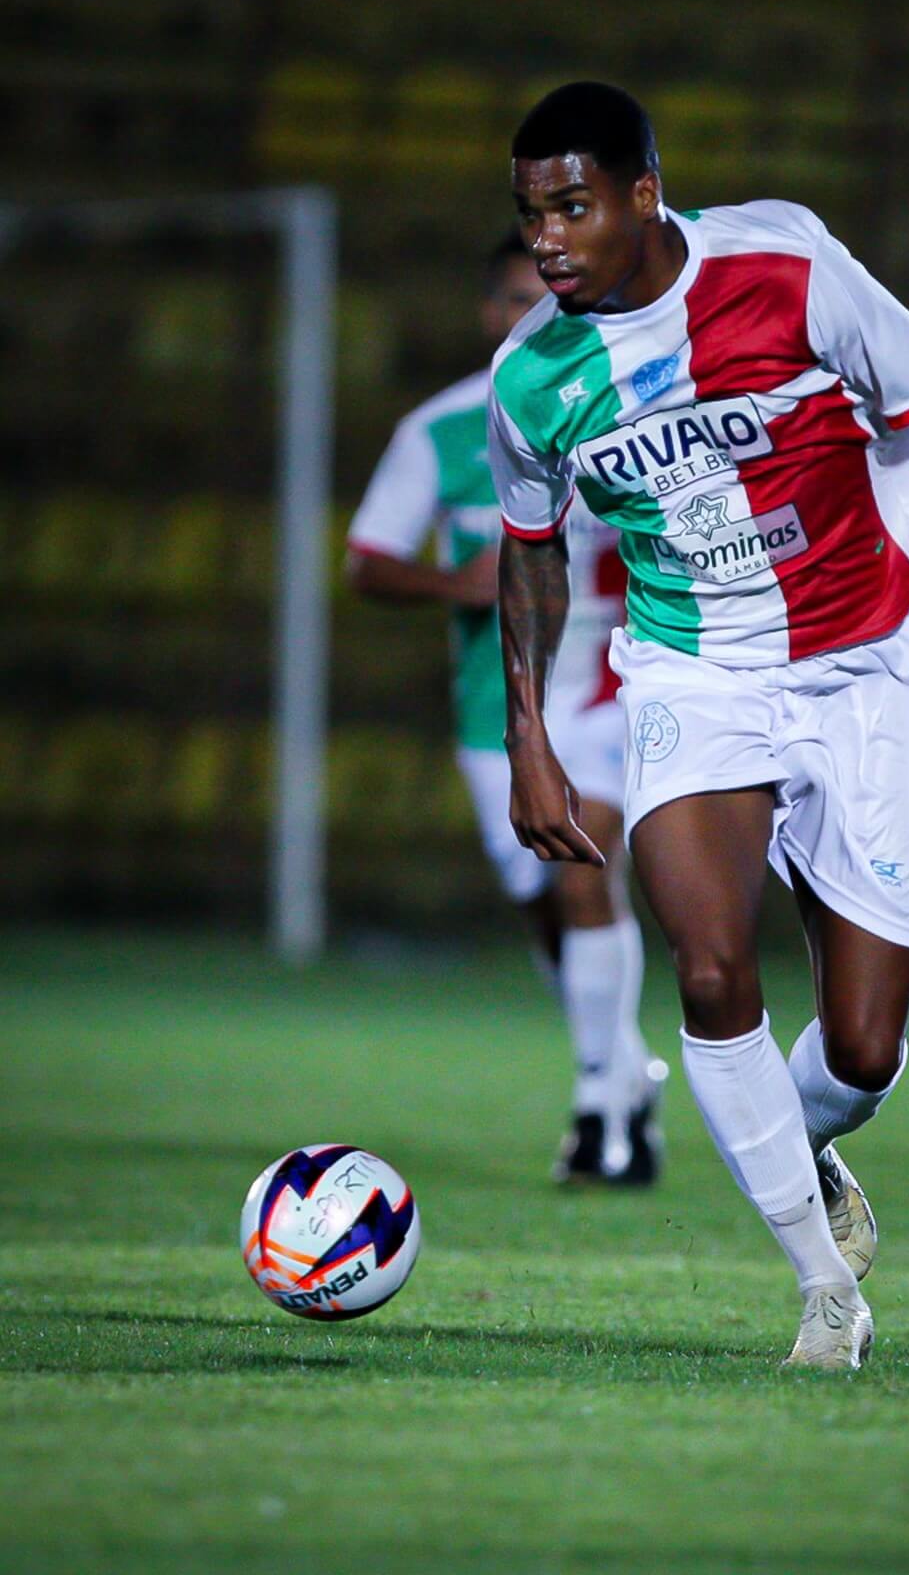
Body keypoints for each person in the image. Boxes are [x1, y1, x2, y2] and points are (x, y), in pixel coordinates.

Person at [488, 82, 909, 1369]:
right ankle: (826, 1291)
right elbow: (531, 549)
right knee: (712, 968)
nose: (546, 240)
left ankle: (811, 1137)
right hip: (693, 676)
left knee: (864, 1048)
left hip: (859, 669)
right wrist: (532, 735)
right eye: (530, 215)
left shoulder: (781, 263)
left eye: (572, 207)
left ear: (644, 194)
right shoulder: (532, 378)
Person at [346, 233, 666, 1186]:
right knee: (547, 912)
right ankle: (623, 1072)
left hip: (615, 686)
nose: (539, 310)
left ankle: (602, 1109)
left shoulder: (627, 402)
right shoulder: (437, 432)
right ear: (492, 312)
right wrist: (458, 586)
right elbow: (367, 562)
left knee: (584, 874)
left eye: (554, 292)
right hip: (502, 706)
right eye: (520, 296)